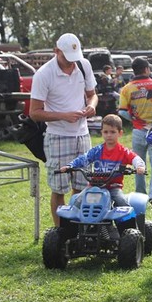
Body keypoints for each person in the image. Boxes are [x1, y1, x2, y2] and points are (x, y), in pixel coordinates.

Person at [29, 33, 98, 227]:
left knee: (83, 186)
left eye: (74, 57)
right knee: (59, 189)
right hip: (58, 136)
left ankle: (80, 229)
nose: (71, 62)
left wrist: (91, 106)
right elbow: (34, 112)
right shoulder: (44, 74)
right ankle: (60, 232)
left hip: (82, 134)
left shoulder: (83, 65)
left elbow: (92, 95)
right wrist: (63, 115)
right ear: (56, 51)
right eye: (67, 57)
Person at [59, 114, 146, 207]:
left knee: (121, 201)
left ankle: (130, 216)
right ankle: (75, 216)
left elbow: (135, 158)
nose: (109, 135)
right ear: (102, 133)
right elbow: (84, 158)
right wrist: (70, 166)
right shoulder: (97, 151)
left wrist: (140, 166)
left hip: (113, 187)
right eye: (106, 132)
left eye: (112, 132)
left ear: (120, 133)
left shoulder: (123, 152)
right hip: (94, 186)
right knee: (78, 201)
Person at [119, 57, 152, 208]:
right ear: (147, 69)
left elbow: (122, 111)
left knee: (139, 165)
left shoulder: (127, 88)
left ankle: (140, 195)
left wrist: (135, 119)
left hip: (138, 131)